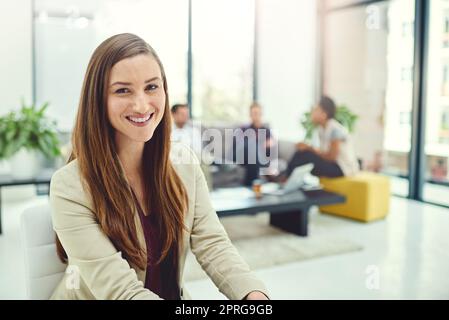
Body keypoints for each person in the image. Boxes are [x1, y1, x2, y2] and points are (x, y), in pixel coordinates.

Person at [49, 33, 269, 300]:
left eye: (151, 87)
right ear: (97, 100)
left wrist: (254, 295)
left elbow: (213, 243)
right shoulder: (69, 186)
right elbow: (122, 292)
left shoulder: (184, 164)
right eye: (122, 90)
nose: (142, 104)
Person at [284, 96, 359, 179]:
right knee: (302, 154)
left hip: (342, 169)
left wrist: (309, 148)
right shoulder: (321, 129)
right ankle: (288, 179)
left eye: (315, 110)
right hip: (333, 165)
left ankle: (285, 179)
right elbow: (323, 153)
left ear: (324, 114)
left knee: (305, 155)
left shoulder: (335, 130)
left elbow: (331, 157)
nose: (312, 112)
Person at [234, 102, 274, 186]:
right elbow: (240, 144)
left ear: (261, 114)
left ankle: (250, 184)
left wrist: (265, 144)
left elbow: (271, 143)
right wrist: (259, 144)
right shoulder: (244, 128)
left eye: (257, 113)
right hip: (243, 156)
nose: (255, 115)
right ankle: (266, 172)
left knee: (253, 155)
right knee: (251, 145)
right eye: (253, 113)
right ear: (250, 115)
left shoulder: (266, 130)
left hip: (256, 157)